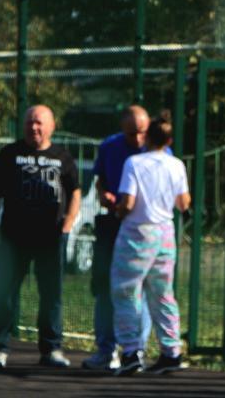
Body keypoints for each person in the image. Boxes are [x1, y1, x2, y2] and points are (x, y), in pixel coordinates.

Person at [0, 104, 82, 368]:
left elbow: (75, 192)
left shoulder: (62, 157)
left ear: (51, 126)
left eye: (39, 122)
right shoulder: (10, 154)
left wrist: (68, 223)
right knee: (4, 292)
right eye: (29, 122)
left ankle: (52, 349)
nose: (34, 127)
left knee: (51, 294)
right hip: (13, 237)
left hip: (49, 238)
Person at [110, 115, 190, 375]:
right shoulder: (176, 164)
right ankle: (171, 352)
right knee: (163, 293)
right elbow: (183, 203)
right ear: (169, 140)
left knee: (126, 290)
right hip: (165, 233)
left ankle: (131, 351)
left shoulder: (134, 162)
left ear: (147, 137)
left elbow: (129, 202)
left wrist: (117, 209)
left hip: (137, 231)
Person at [81, 105, 152, 371]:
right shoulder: (110, 146)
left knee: (139, 288)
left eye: (142, 132)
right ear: (122, 129)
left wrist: (129, 205)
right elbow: (100, 180)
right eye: (132, 133)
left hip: (140, 228)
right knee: (104, 286)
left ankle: (135, 351)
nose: (138, 139)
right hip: (112, 224)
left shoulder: (155, 150)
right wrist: (104, 195)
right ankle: (106, 350)